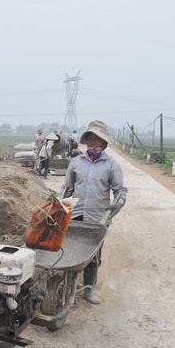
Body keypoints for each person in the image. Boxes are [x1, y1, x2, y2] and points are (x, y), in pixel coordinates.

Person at [59, 120, 127, 304]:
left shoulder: (111, 165)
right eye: (90, 137)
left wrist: (117, 205)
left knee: (93, 255)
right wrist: (60, 204)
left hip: (97, 216)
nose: (92, 141)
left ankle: (88, 290)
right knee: (69, 249)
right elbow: (66, 189)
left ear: (104, 142)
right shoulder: (76, 162)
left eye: (97, 138)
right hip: (76, 213)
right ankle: (65, 284)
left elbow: (121, 190)